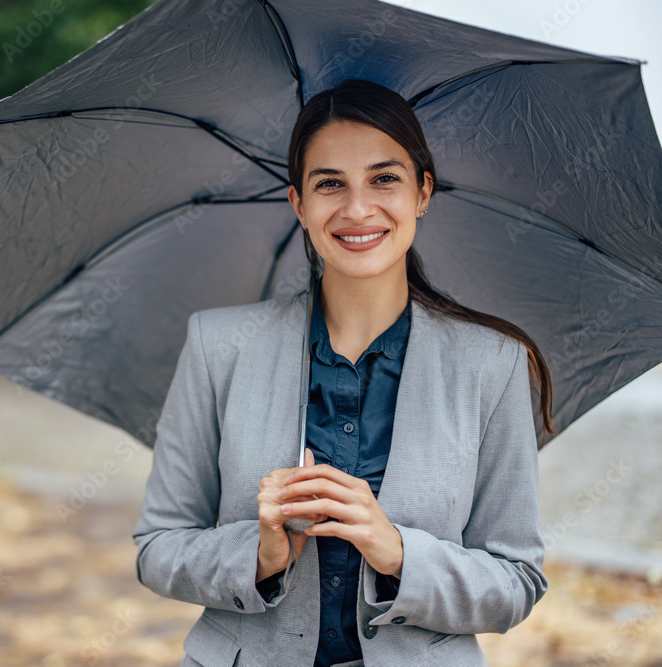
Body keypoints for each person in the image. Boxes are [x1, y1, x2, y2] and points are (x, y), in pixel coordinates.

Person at [132, 79, 553, 667]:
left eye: (385, 178)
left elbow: (516, 583)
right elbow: (157, 548)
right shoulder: (217, 344)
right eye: (330, 183)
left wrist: (398, 551)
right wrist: (260, 554)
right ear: (298, 203)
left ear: (422, 192)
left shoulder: (493, 362)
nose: (357, 209)